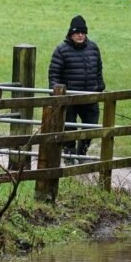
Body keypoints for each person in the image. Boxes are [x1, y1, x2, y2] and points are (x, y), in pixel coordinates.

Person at [48, 15, 105, 158]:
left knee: (91, 126)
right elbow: (54, 73)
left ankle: (82, 152)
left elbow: (98, 69)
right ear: (71, 34)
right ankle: (69, 155)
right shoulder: (61, 50)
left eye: (82, 32)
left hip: (90, 96)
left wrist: (99, 86)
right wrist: (56, 93)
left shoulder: (93, 48)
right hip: (69, 98)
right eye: (77, 33)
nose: (80, 35)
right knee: (69, 128)